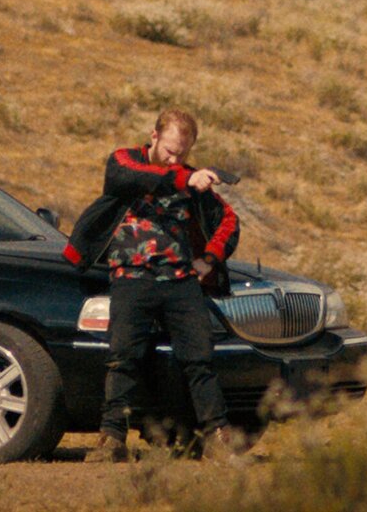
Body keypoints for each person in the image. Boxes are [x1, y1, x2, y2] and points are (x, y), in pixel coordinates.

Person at [63, 108, 244, 463]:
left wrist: (208, 259)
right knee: (122, 358)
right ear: (154, 136)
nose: (175, 158)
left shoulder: (193, 181)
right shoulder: (126, 161)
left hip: (180, 281)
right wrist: (182, 179)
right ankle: (112, 438)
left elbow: (228, 221)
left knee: (200, 360)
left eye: (183, 154)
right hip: (131, 278)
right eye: (169, 150)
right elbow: (125, 177)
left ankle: (216, 438)